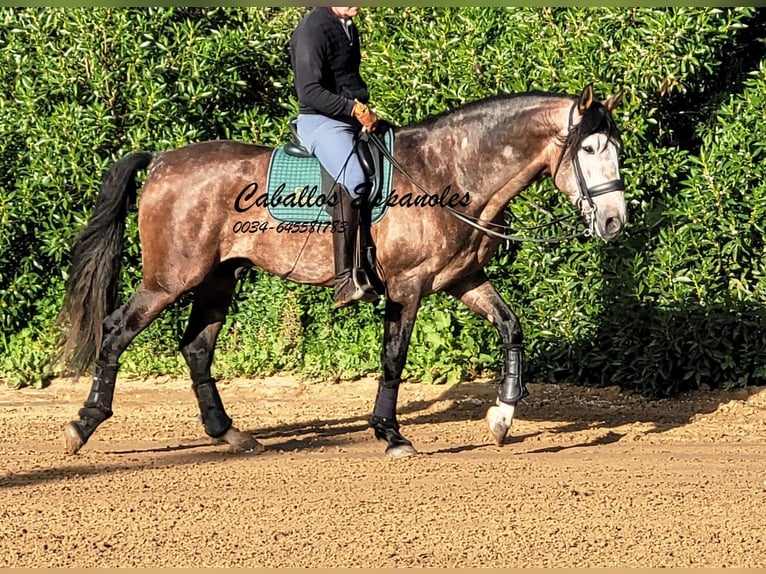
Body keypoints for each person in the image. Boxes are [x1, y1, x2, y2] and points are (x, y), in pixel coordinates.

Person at [289, 6, 379, 308]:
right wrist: (354, 108)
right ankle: (343, 281)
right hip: (321, 121)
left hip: (351, 118)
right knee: (354, 179)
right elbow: (309, 91)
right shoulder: (314, 28)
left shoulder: (348, 25)